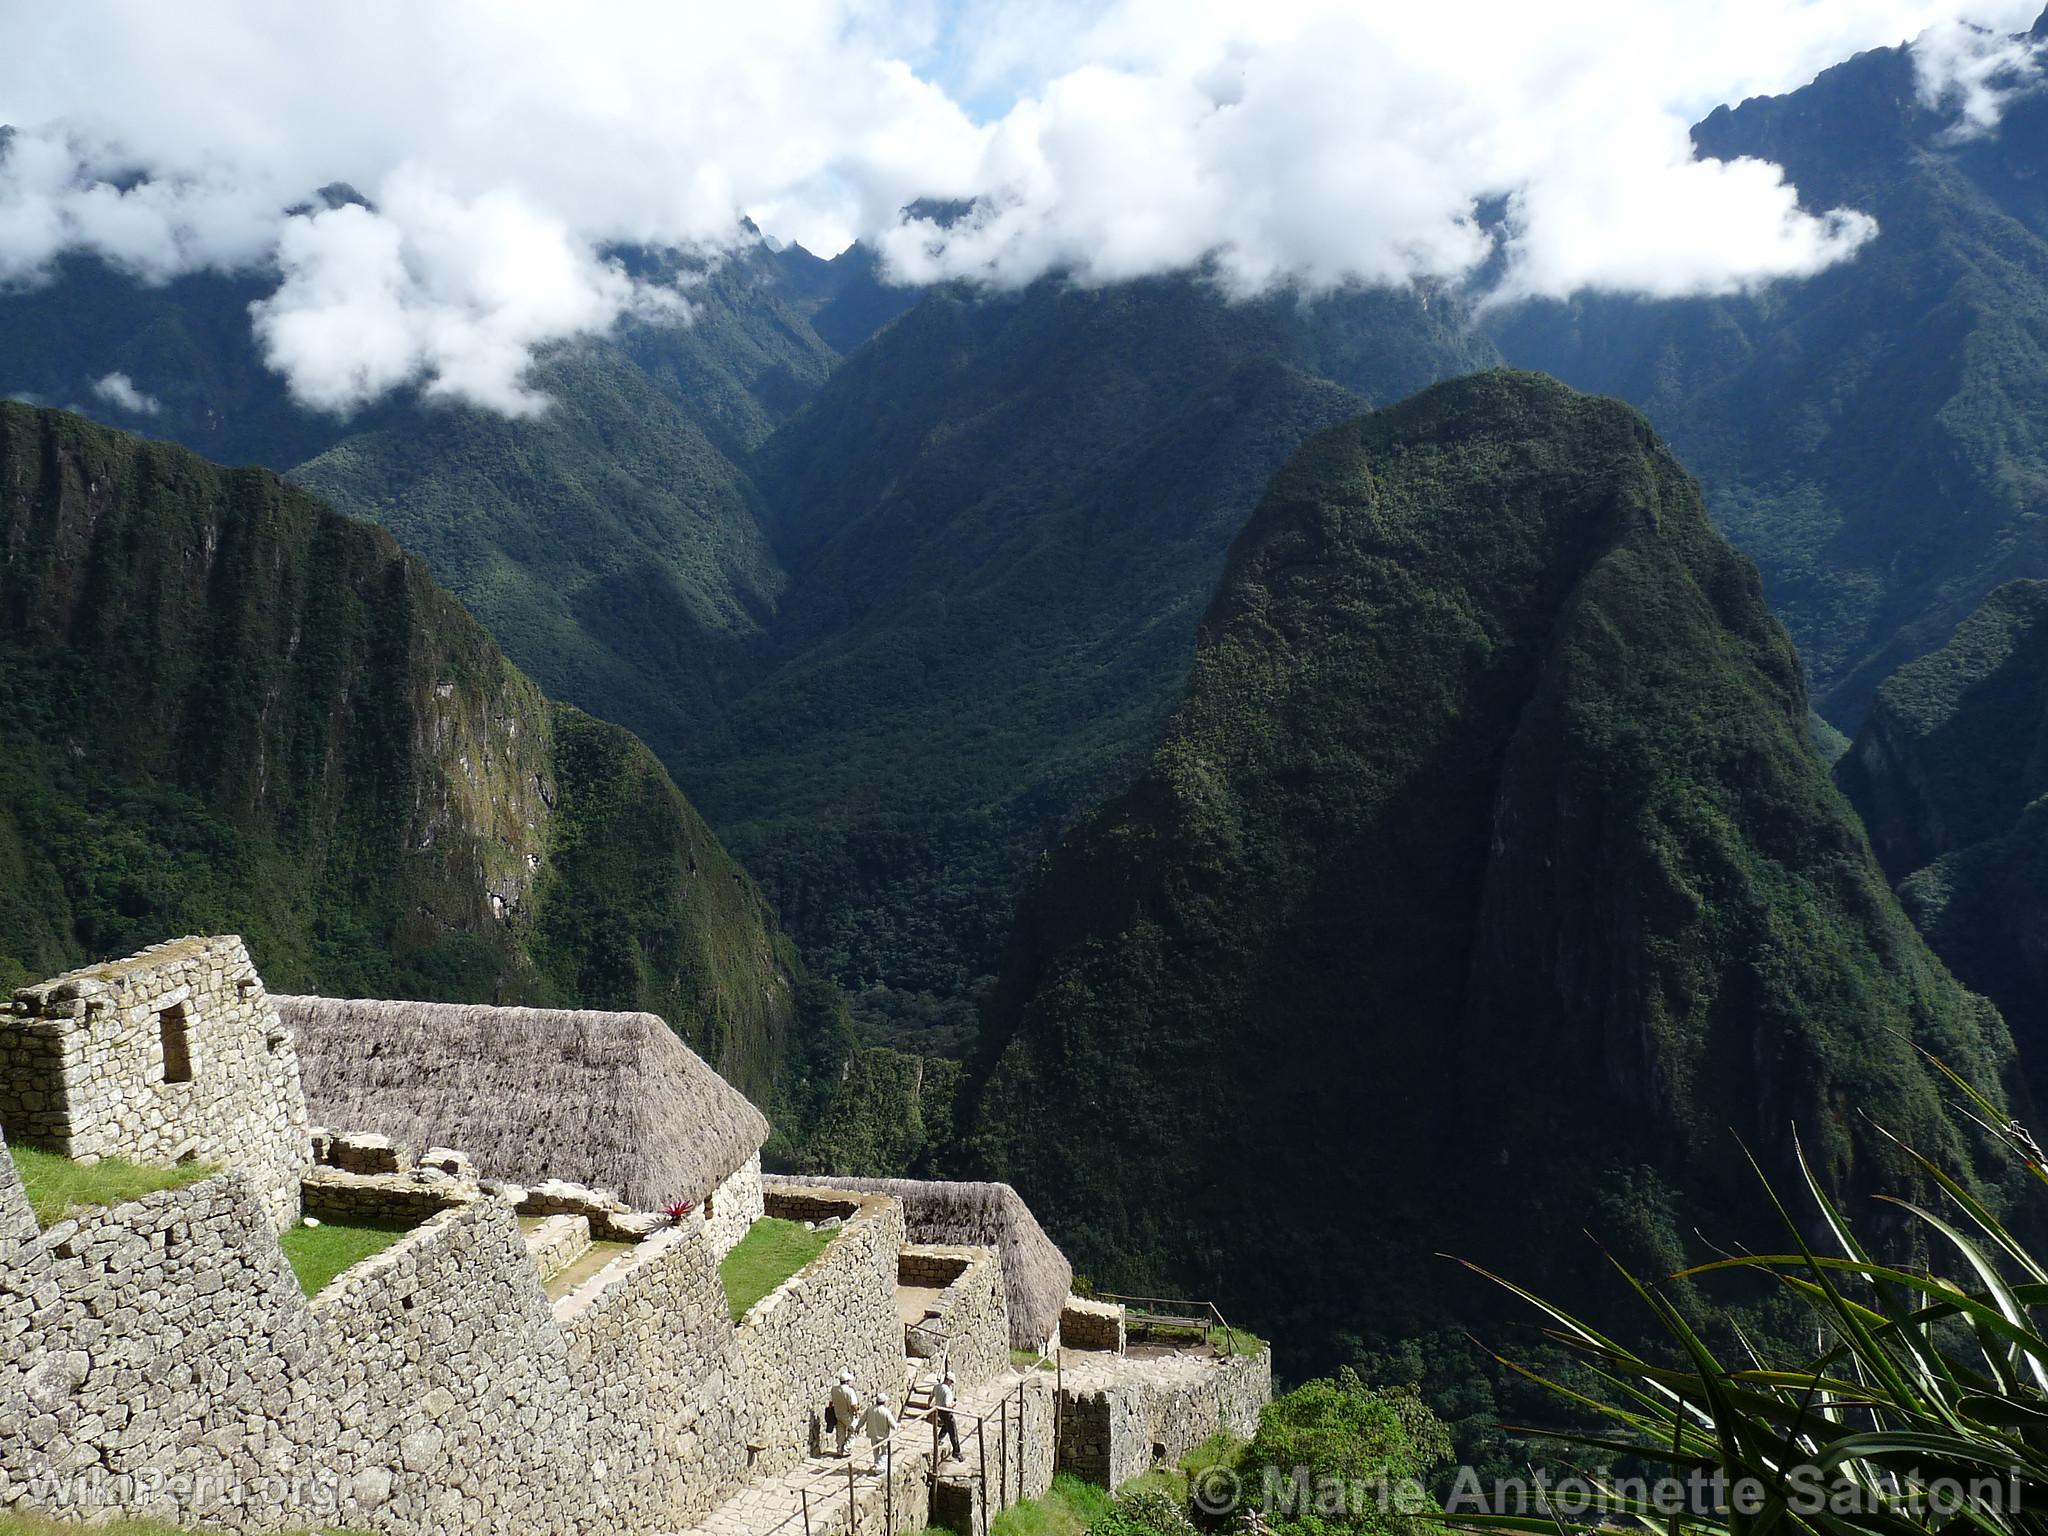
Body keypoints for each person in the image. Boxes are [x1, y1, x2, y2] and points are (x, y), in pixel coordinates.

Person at [859, 1389, 898, 1467]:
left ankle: (876, 1464)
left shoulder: (870, 1409)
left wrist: (857, 1428)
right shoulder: (886, 1412)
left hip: (872, 1434)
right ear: (884, 1402)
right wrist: (898, 1425)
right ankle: (879, 1467)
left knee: (875, 1452)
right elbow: (893, 1426)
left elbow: (862, 1420)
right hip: (883, 1436)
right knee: (884, 1452)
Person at [828, 1367, 862, 1457]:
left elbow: (831, 1403)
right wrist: (856, 1413)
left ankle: (839, 1449)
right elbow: (853, 1405)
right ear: (847, 1381)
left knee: (840, 1433)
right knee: (853, 1430)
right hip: (847, 1415)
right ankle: (847, 1449)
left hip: (838, 1414)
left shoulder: (834, 1389)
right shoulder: (850, 1391)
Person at [930, 1370, 963, 1460]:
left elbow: (931, 1396)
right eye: (951, 1382)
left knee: (945, 1425)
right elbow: (947, 1405)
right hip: (946, 1412)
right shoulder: (947, 1391)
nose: (951, 1384)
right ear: (948, 1380)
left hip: (939, 1411)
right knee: (953, 1432)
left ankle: (939, 1439)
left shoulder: (937, 1386)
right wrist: (954, 1404)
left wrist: (929, 1405)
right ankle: (957, 1452)